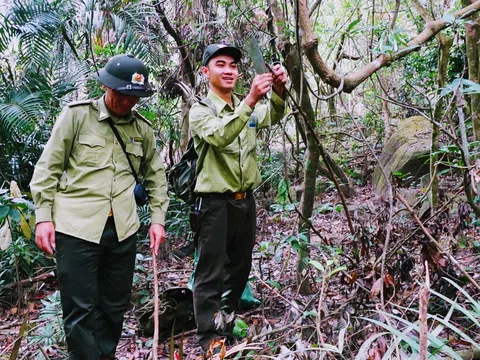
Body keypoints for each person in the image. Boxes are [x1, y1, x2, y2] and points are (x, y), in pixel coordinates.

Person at [30, 54, 169, 360]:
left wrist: (157, 220)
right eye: (121, 94)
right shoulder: (76, 116)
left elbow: (157, 178)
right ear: (106, 87)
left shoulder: (142, 130)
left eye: (134, 97)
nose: (126, 102)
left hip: (122, 230)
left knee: (114, 305)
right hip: (76, 227)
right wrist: (43, 219)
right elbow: (47, 169)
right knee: (79, 308)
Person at [189, 43, 288, 350]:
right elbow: (220, 135)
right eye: (221, 64)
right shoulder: (200, 110)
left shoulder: (245, 110)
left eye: (233, 65)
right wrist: (249, 99)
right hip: (214, 204)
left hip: (245, 201)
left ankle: (226, 326)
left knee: (239, 270)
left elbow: (270, 115)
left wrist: (280, 91)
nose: (229, 70)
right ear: (206, 72)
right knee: (210, 273)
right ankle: (209, 341)